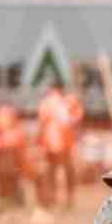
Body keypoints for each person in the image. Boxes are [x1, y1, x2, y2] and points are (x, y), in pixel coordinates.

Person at [37, 77, 84, 208]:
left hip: (50, 141)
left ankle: (55, 199)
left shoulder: (46, 102)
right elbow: (78, 119)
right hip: (67, 142)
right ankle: (67, 199)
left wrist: (40, 141)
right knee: (66, 170)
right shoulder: (71, 100)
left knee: (53, 170)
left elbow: (42, 123)